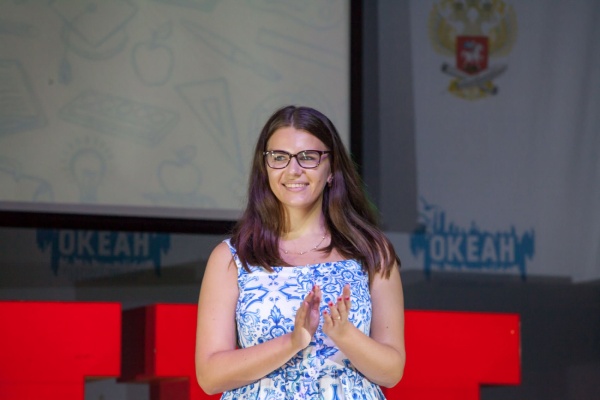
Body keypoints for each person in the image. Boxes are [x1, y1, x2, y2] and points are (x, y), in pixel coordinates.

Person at [195, 105, 405, 399]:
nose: (293, 170)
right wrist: (293, 342)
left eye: (308, 157)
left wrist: (345, 335)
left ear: (331, 169)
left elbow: (392, 372)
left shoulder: (370, 251)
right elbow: (210, 376)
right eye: (279, 157)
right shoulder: (233, 257)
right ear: (265, 168)